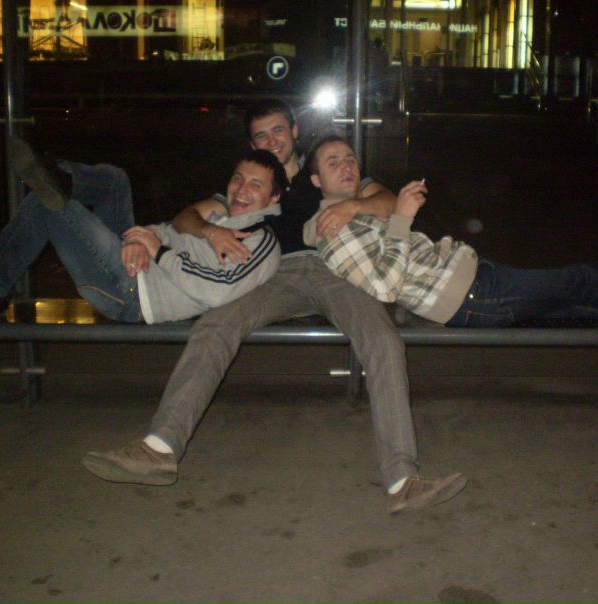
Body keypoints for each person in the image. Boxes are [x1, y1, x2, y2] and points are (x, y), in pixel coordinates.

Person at [82, 99, 468, 515]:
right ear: (252, 143)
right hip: (270, 273)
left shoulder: (324, 166)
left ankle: (402, 480)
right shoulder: (254, 179)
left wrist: (353, 205)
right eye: (261, 135)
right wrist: (211, 231)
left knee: (382, 338)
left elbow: (389, 200)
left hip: (336, 270)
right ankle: (159, 449)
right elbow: (185, 217)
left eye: (278, 130)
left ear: (294, 131)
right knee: (215, 326)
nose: (271, 141)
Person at [303, 134, 598, 328]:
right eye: (333, 162)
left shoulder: (356, 208)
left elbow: (380, 201)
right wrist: (400, 218)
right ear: (317, 181)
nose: (346, 165)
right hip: (469, 297)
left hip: (471, 282)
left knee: (587, 308)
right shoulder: (331, 231)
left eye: (350, 158)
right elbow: (384, 287)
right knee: (583, 282)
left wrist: (383, 209)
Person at [0, 138, 285, 324]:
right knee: (114, 181)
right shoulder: (222, 215)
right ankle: (60, 178)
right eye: (238, 179)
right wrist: (141, 238)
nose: (241, 189)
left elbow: (217, 291)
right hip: (140, 264)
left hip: (132, 293)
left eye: (255, 185)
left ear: (273, 198)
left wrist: (159, 251)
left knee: (49, 206)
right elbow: (172, 228)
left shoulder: (261, 242)